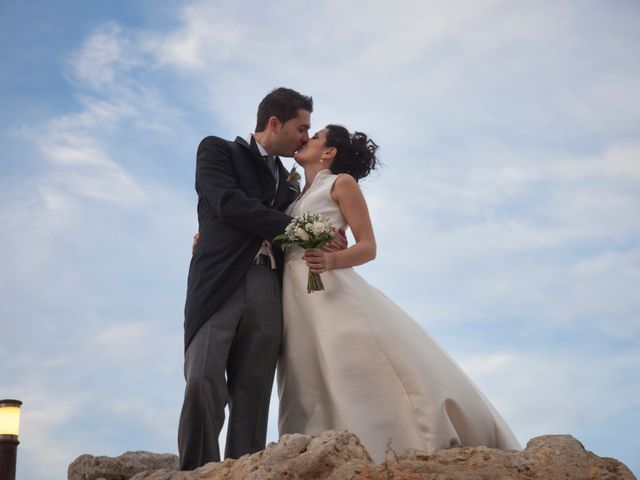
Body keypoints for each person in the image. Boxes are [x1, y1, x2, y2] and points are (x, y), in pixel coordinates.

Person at [277, 124, 521, 462]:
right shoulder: (292, 196)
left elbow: (368, 247)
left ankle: (393, 439)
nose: (306, 139)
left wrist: (331, 259)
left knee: (349, 365)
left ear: (329, 152)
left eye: (315, 136)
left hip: (329, 289)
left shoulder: (341, 183)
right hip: (294, 295)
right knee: (306, 371)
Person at [179, 87, 345, 470]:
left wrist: (331, 236)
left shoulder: (291, 184)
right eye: (302, 128)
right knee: (203, 377)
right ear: (275, 123)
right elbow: (228, 203)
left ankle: (242, 471)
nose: (306, 136)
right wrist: (299, 226)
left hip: (270, 286)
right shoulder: (217, 150)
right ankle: (196, 472)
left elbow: (318, 216)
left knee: (253, 394)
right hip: (219, 280)